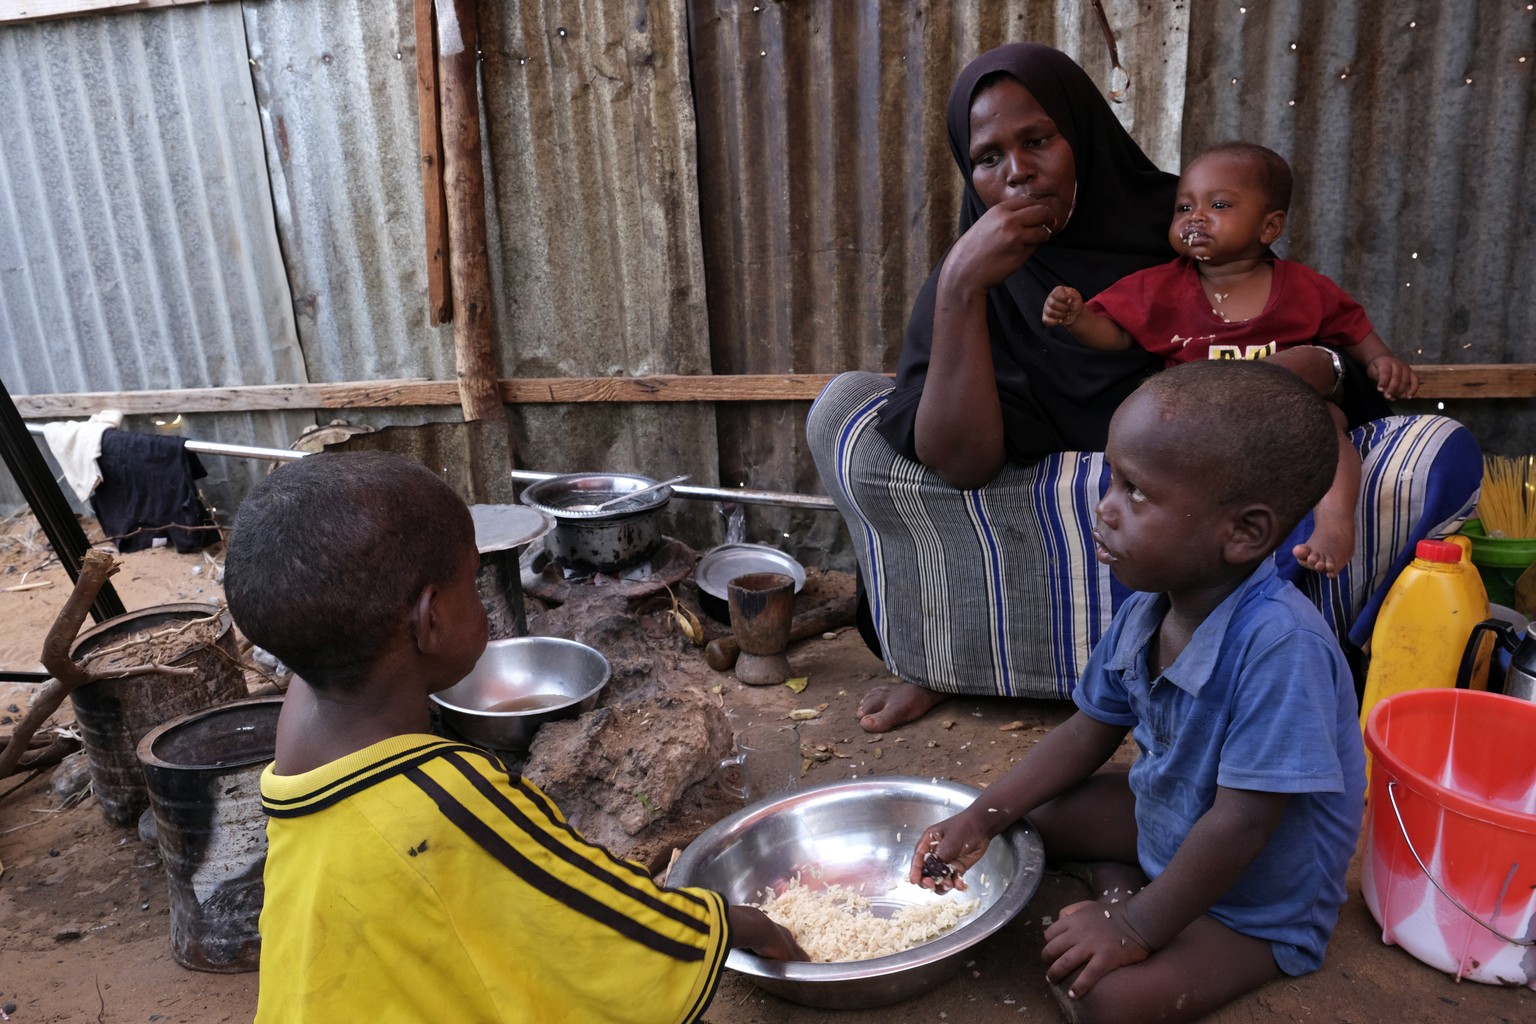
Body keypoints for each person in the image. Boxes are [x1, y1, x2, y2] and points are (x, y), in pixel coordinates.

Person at [805, 42, 1480, 730]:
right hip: (1063, 518)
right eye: (987, 158)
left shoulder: (1184, 229)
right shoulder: (976, 274)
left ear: (1086, 137)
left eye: (1039, 140)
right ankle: (961, 661)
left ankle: (1243, 672)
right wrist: (961, 285)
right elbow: (961, 461)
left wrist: (1324, 367)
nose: (1018, 174)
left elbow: (1297, 327)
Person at [223, 451, 804, 1024]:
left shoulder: (302, 734)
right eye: (473, 583)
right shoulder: (445, 798)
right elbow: (604, 930)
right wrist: (733, 923)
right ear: (433, 621)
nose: (482, 599)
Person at [909, 361, 1366, 1024]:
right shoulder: (1151, 607)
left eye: (1137, 492)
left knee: (1102, 999)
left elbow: (1243, 824)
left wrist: (1135, 930)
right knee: (1027, 824)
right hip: (1173, 816)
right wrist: (981, 817)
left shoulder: (1282, 646)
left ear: (1243, 532)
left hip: (1256, 899)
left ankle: (1129, 896)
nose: (1106, 507)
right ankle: (1122, 879)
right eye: (1112, 479)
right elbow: (1085, 733)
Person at [1041, 142, 1421, 577]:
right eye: (1184, 207)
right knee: (1142, 444)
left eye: (1218, 204)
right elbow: (1117, 335)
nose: (1195, 217)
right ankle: (1125, 533)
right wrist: (1078, 317)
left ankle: (1334, 523)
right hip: (1198, 424)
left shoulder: (1303, 287)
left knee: (1329, 422)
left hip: (1286, 417)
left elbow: (1351, 328)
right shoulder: (1159, 288)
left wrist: (1381, 360)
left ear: (1269, 226)